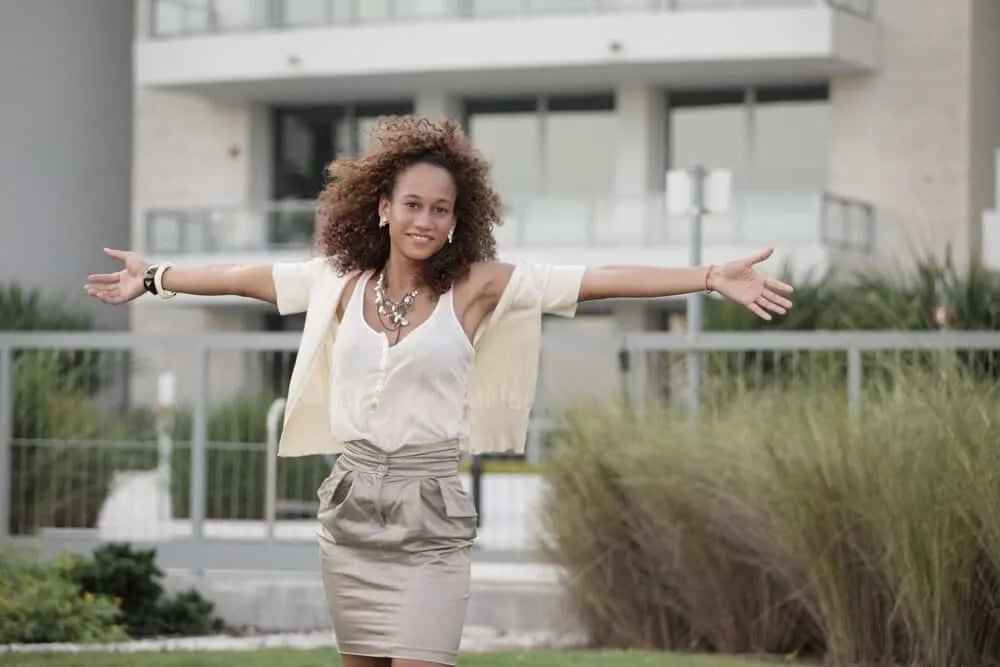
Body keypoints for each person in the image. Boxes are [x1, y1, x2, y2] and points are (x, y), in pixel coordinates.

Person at [85, 115, 793, 667]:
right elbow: (244, 277)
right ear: (384, 207)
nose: (426, 220)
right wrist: (154, 278)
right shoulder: (338, 280)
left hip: (430, 522)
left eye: (441, 209)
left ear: (458, 218)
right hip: (351, 516)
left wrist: (706, 275)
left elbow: (592, 277)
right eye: (413, 204)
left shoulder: (478, 286)